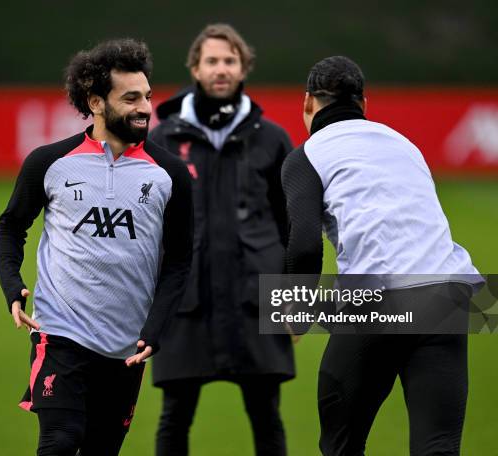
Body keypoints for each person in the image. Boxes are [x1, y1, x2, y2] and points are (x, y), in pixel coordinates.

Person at [0, 38, 193, 456]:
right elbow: (11, 227)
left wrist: (154, 331)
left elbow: (179, 260)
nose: (144, 107)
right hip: (59, 334)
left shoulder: (170, 173)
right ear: (96, 102)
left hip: (126, 349)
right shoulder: (49, 162)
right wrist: (13, 287)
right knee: (60, 442)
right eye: (131, 98)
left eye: (148, 97)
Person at [281, 55, 483, 455]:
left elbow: (303, 245)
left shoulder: (306, 155)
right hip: (447, 295)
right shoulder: (404, 143)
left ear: (307, 103)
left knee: (341, 443)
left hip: (378, 299)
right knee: (438, 446)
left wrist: (295, 312)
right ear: (364, 105)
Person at [148, 24, 295, 456]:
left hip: (255, 301)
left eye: (230, 60)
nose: (221, 69)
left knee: (267, 415)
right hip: (184, 303)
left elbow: (292, 225)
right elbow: (147, 230)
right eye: (212, 60)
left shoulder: (271, 138)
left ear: (243, 66)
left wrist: (296, 300)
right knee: (174, 416)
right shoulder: (162, 139)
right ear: (195, 67)